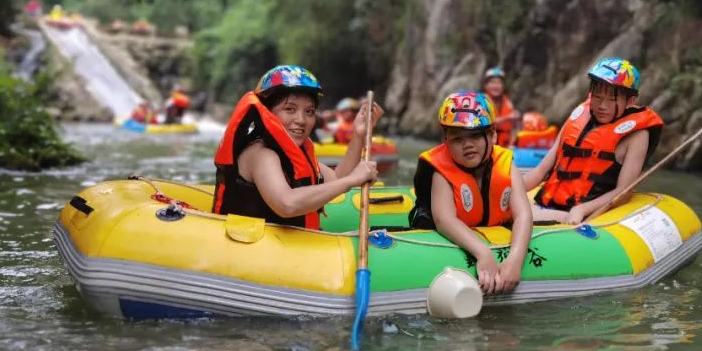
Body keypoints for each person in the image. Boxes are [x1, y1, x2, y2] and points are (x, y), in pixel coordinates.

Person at [212, 65, 382, 229]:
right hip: (249, 246)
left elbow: (337, 178)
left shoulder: (295, 153)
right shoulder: (261, 153)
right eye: (290, 109)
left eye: (309, 111)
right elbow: (286, 204)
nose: (301, 120)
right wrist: (352, 181)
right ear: (267, 112)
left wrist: (358, 135)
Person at [407, 91, 533, 295]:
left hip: (492, 225)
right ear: (446, 140)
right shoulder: (441, 171)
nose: (467, 145)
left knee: (551, 215)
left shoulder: (506, 165)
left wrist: (515, 260)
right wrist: (483, 253)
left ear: (492, 135)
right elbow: (444, 220)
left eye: (475, 135)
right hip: (448, 235)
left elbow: (523, 214)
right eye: (457, 139)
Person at [522, 57, 663, 224]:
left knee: (519, 216)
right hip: (549, 204)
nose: (602, 105)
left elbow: (623, 192)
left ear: (630, 101)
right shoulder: (578, 116)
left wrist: (581, 209)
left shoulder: (638, 136)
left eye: (611, 99)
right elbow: (540, 171)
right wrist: (510, 190)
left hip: (585, 213)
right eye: (597, 97)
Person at [480, 67, 520, 147]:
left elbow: (513, 127)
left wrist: (512, 145)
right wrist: (508, 117)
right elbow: (485, 123)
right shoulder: (481, 101)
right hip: (487, 144)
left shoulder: (507, 101)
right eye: (492, 82)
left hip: (505, 145)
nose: (496, 86)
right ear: (485, 85)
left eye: (499, 83)